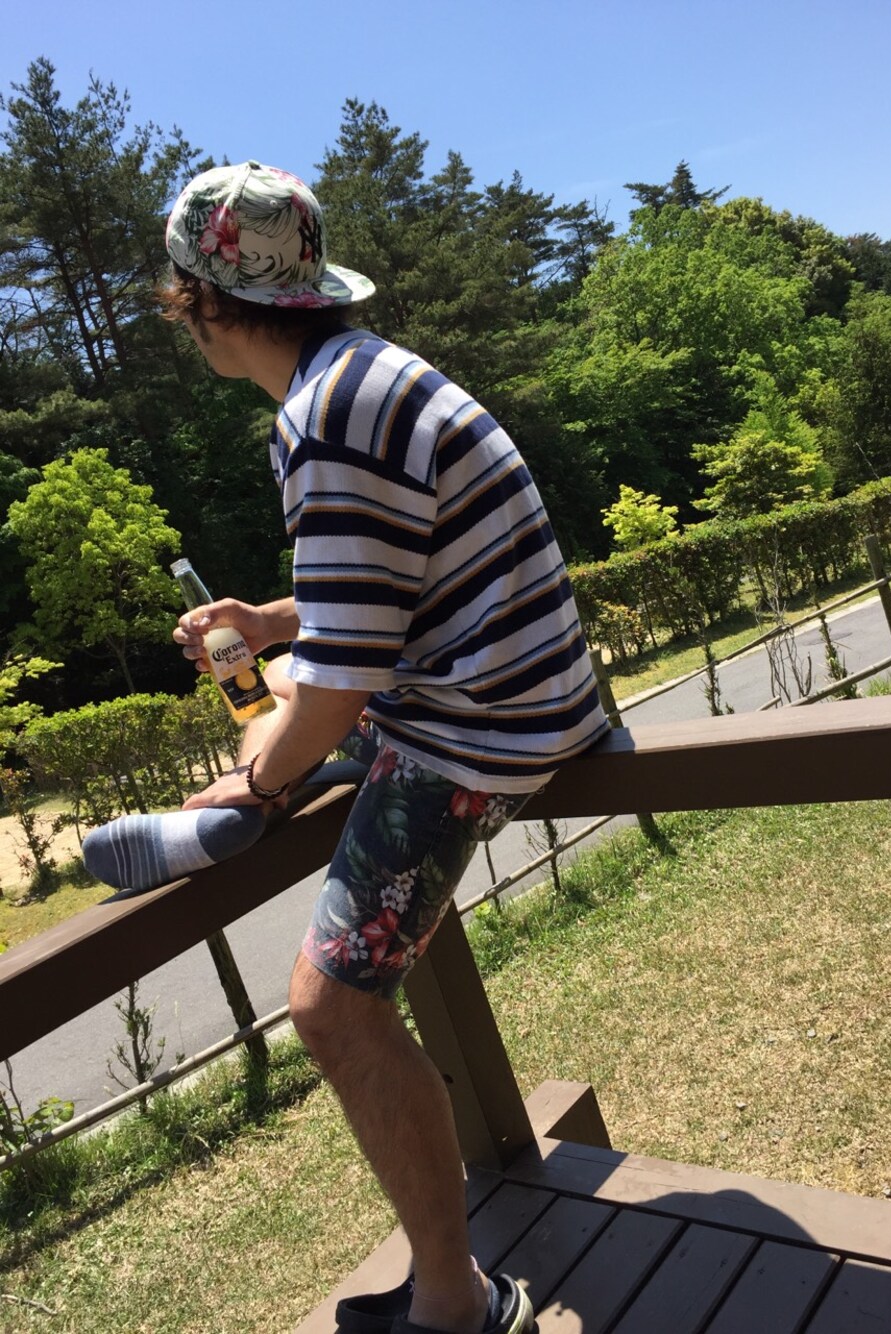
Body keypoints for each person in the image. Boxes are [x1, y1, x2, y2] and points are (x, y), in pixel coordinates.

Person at [158, 160, 608, 1334]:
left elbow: (346, 683)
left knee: (331, 1007)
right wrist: (270, 624)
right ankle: (263, 781)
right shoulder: (364, 376)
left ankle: (457, 1300)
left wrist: (259, 776)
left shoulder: (324, 419)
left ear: (201, 304)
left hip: (477, 725)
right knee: (281, 701)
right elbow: (377, 591)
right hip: (517, 692)